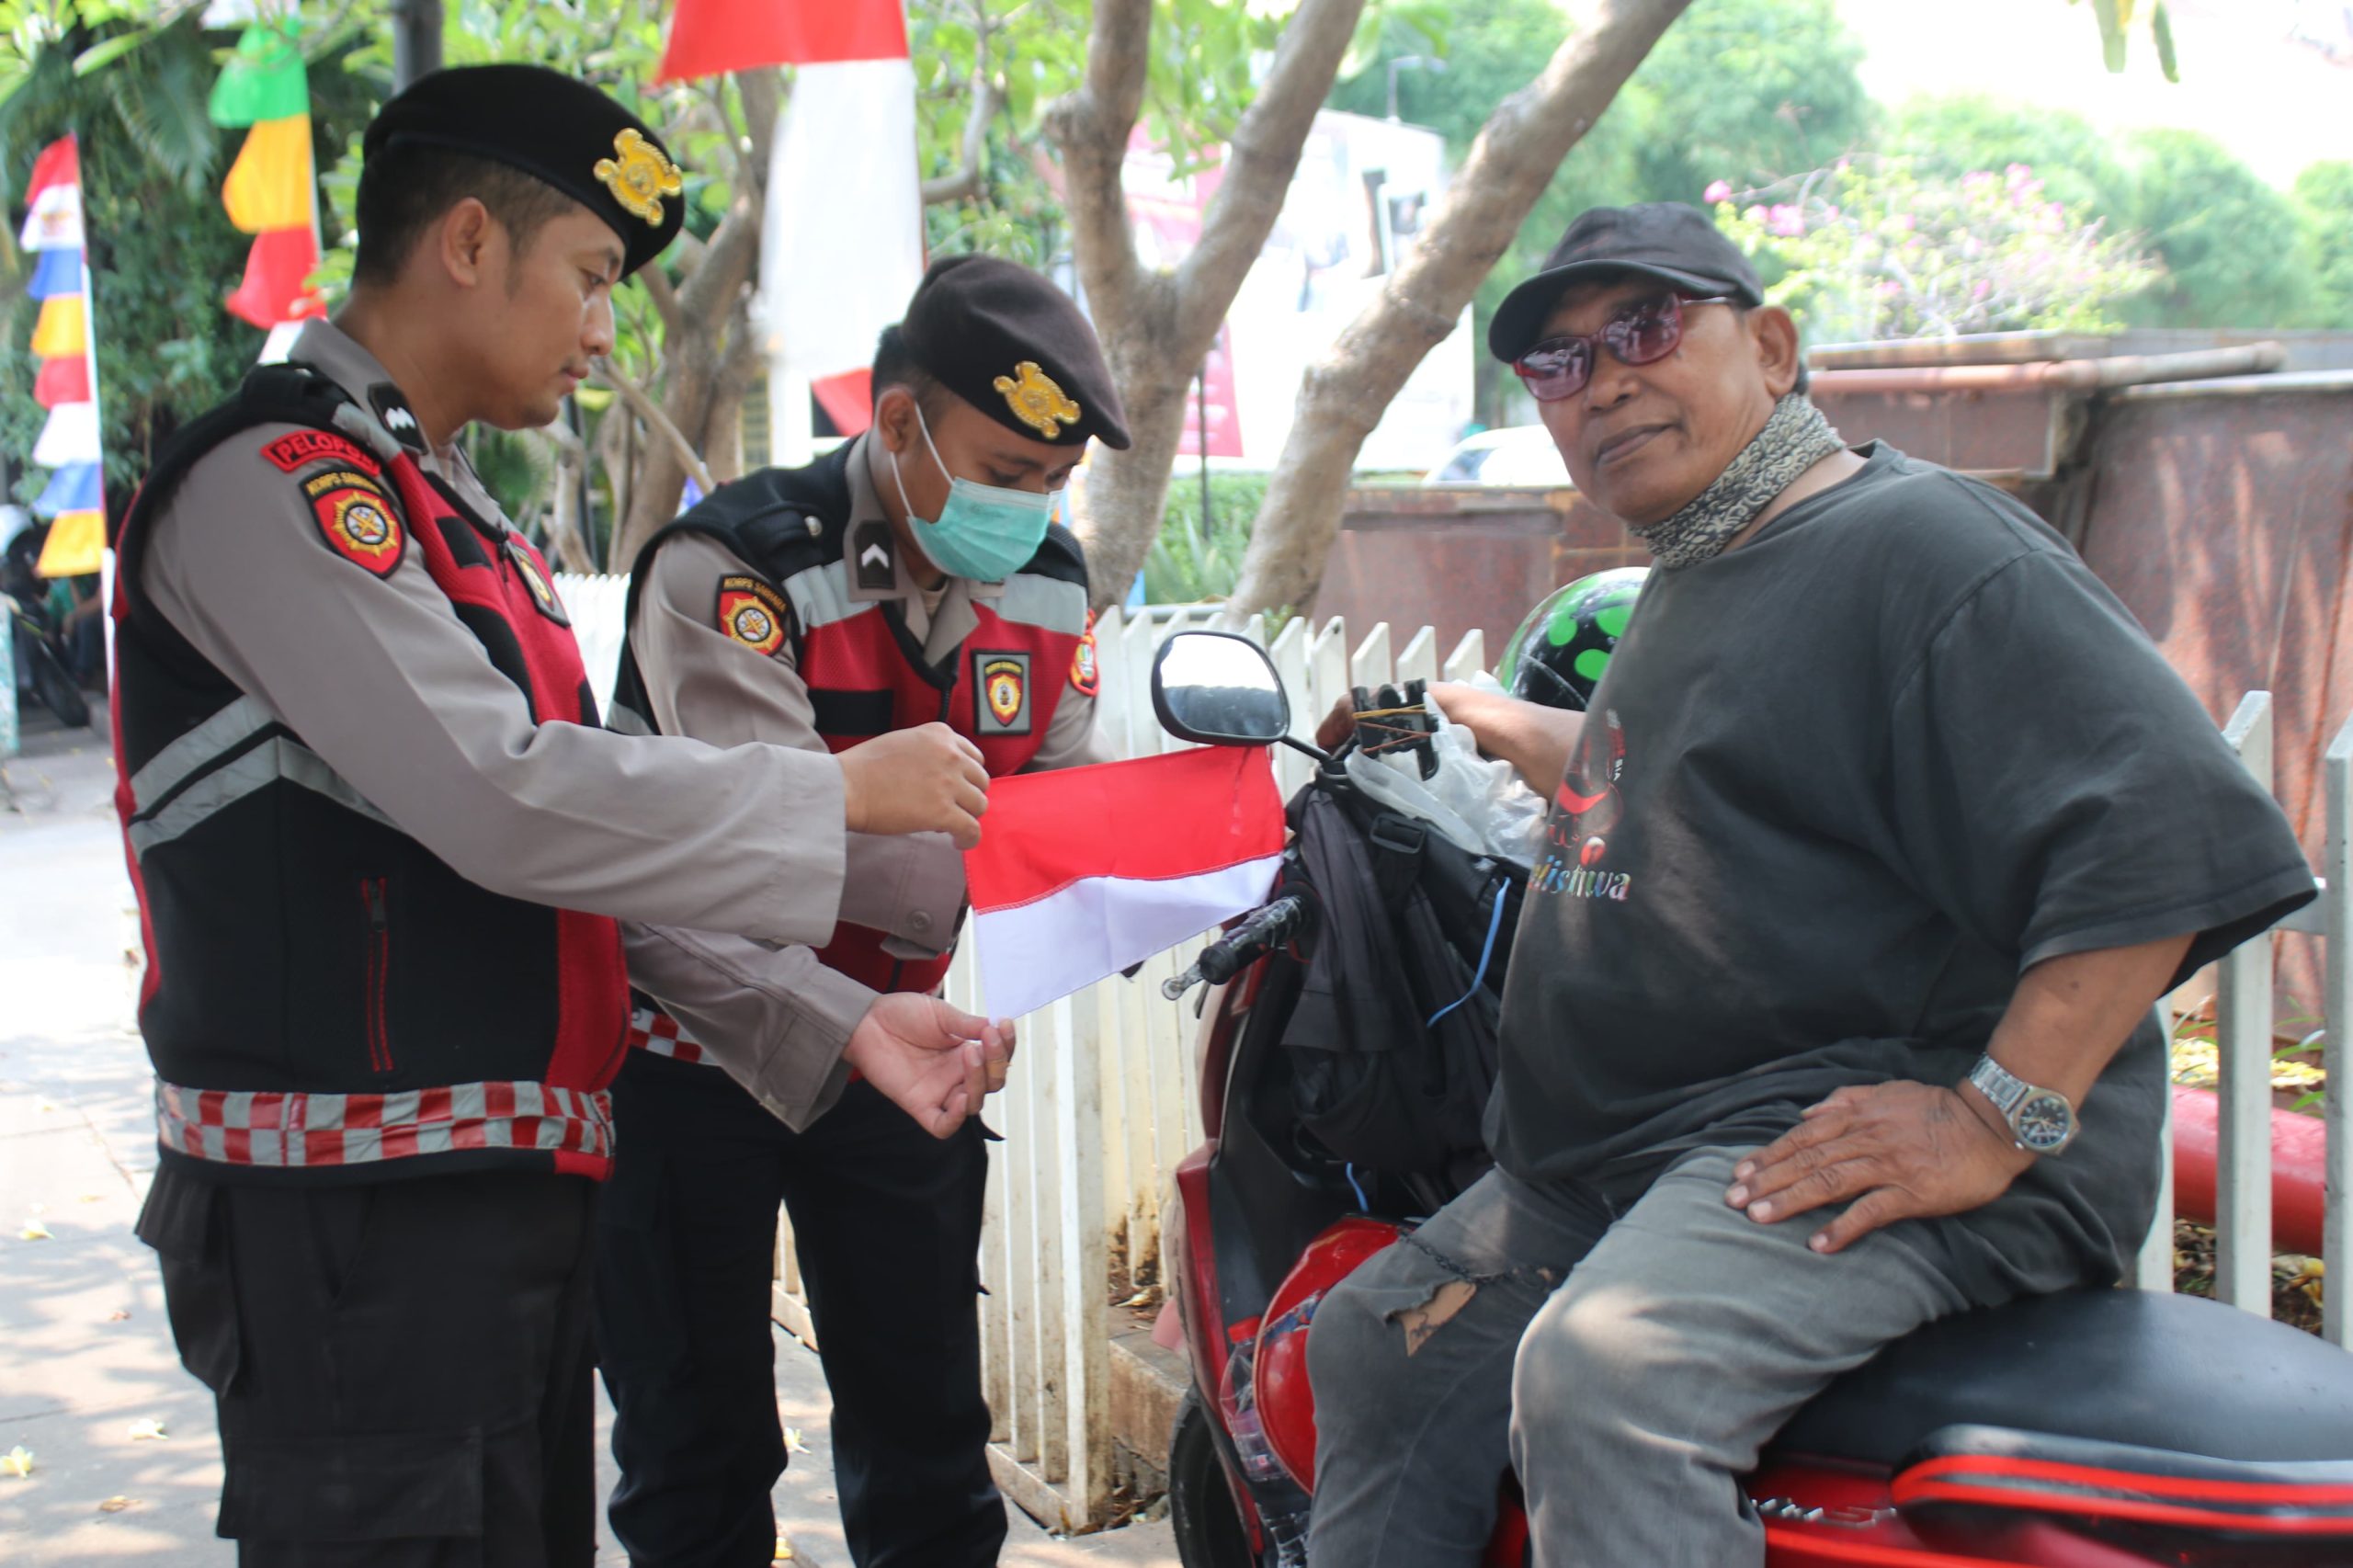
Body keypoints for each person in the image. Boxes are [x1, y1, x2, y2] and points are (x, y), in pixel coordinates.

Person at [1302, 202, 2317, 1567]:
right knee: (1371, 1344)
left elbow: (2164, 838)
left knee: (1608, 1385)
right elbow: (1686, 789)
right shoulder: (1705, 563)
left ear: (1773, 348)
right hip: (1621, 1154)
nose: (1602, 379)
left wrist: (1990, 1116)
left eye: (1645, 329)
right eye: (1558, 364)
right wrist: (1482, 717)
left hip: (1812, 1135)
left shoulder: (1926, 550)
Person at [110, 65, 1013, 1567]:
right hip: (354, 1227)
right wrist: (833, 790)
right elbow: (506, 798)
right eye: (591, 276)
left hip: (493, 1213)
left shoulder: (456, 522)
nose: (606, 328)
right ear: (468, 243)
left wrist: (842, 1020)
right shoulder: (276, 487)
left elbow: (599, 869)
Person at [596, 254, 1126, 1568]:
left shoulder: (1053, 587)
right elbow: (724, 866)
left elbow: (1049, 822)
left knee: (932, 1443)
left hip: (893, 1053)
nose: (1031, 506)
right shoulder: (734, 567)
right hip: (685, 1051)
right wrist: (874, 810)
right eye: (1003, 468)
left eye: (1054, 480)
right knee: (695, 1457)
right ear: (896, 423)